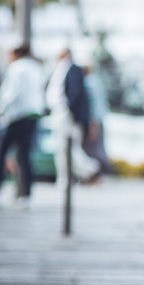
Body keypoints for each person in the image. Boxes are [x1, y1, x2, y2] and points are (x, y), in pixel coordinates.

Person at [0, 45, 45, 207]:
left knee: (1, 153)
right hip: (33, 115)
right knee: (24, 155)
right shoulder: (36, 68)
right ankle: (25, 194)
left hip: (16, 116)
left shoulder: (17, 68)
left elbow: (12, 92)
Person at [46, 48, 99, 186]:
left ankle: (89, 169)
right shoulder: (61, 69)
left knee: (67, 147)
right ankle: (68, 178)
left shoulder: (72, 69)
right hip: (61, 114)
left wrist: (71, 113)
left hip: (66, 115)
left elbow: (74, 96)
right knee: (62, 149)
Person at [82, 65, 112, 175]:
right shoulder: (95, 81)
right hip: (98, 120)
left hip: (94, 121)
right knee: (97, 148)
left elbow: (95, 105)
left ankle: (99, 174)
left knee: (95, 149)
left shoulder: (90, 83)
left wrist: (93, 124)